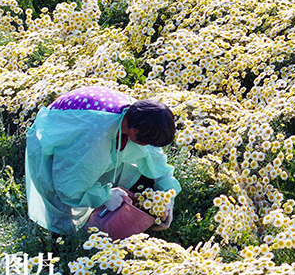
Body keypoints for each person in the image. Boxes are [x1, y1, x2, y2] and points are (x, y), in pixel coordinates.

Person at [25, 85, 181, 236]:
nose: (147, 147)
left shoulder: (142, 116)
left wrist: (167, 197)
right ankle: (62, 246)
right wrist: (106, 196)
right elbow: (68, 186)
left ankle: (103, 219)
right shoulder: (94, 138)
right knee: (64, 220)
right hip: (53, 137)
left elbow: (156, 160)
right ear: (133, 132)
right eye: (146, 142)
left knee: (134, 174)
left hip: (89, 130)